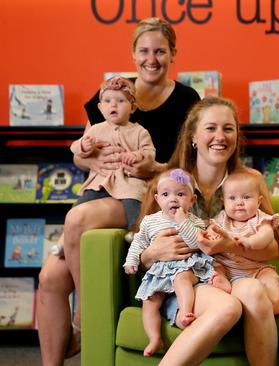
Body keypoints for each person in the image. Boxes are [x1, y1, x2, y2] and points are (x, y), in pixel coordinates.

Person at [37, 17, 200, 366]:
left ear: (173, 53)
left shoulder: (187, 99)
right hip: (101, 190)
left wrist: (153, 168)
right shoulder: (112, 90)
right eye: (143, 51)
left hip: (145, 197)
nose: (151, 58)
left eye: (160, 51)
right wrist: (93, 161)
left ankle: (85, 319)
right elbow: (83, 155)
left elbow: (187, 165)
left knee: (78, 217)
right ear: (132, 53)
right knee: (50, 277)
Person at [140, 96, 279, 365]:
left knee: (254, 291)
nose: (220, 136)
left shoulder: (249, 181)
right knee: (227, 307)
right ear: (193, 136)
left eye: (228, 129)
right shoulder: (170, 182)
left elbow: (278, 250)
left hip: (236, 274)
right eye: (211, 128)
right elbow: (143, 247)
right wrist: (151, 254)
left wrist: (231, 246)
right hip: (187, 282)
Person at [123, 168, 228, 357]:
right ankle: (154, 337)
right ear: (157, 199)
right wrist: (131, 261)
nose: (173, 199)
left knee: (182, 280)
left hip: (186, 265)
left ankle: (185, 312)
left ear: (192, 200)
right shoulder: (150, 221)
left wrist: (182, 221)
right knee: (150, 302)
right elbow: (139, 242)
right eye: (166, 194)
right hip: (160, 271)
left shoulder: (194, 221)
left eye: (180, 194)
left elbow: (195, 243)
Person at [69, 76, 154, 233]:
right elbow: (74, 148)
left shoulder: (139, 131)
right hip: (100, 180)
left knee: (134, 202)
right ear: (101, 108)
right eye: (107, 101)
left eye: (121, 101)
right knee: (79, 207)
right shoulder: (96, 129)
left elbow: (149, 152)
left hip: (127, 181)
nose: (113, 105)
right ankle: (66, 237)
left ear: (132, 107)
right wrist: (84, 146)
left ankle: (137, 233)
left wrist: (137, 155)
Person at [207, 170, 279, 315]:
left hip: (255, 269)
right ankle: (223, 284)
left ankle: (276, 302)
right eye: (232, 198)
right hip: (227, 267)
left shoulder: (260, 219)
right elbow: (211, 230)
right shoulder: (222, 219)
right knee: (215, 267)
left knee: (270, 277)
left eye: (246, 197)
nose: (239, 202)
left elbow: (268, 235)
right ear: (223, 202)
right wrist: (211, 235)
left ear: (259, 201)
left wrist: (251, 241)